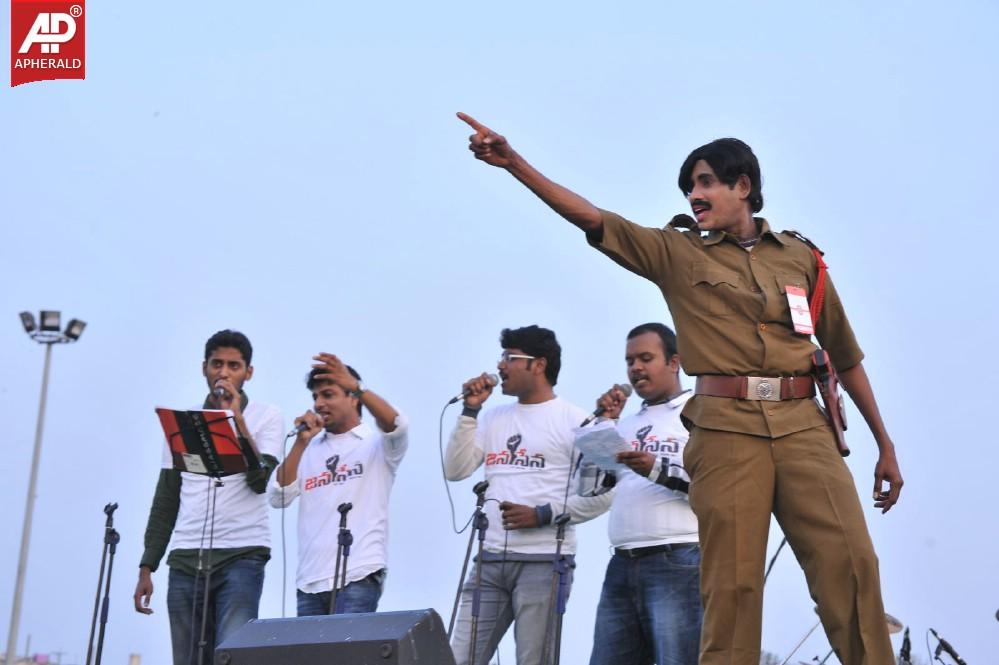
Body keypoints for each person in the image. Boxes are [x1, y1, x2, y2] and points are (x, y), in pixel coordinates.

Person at [457, 113, 904, 665]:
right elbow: (596, 219)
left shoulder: (801, 258)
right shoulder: (678, 252)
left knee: (852, 567)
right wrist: (516, 165)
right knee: (732, 589)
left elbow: (845, 354)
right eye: (689, 186)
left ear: (743, 186)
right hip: (725, 431)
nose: (695, 194)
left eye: (706, 181)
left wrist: (884, 444)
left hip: (804, 426)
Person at [445, 325, 611, 665]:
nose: (500, 366)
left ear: (539, 365)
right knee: (456, 659)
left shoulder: (580, 420)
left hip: (545, 562)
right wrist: (470, 411)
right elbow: (456, 469)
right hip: (489, 560)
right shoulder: (491, 417)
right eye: (501, 357)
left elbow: (606, 495)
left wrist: (542, 514)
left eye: (510, 357)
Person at [133, 330, 284, 665]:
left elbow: (260, 481)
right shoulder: (182, 423)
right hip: (186, 559)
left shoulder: (266, 416)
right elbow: (166, 499)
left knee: (232, 656)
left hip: (242, 556)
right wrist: (148, 565)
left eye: (234, 365)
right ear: (204, 368)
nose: (224, 372)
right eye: (217, 364)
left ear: (249, 372)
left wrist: (236, 421)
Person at [578, 322, 701, 665]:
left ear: (674, 362)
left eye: (646, 358)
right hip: (622, 563)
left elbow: (712, 484)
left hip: (678, 560)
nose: (635, 368)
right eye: (630, 361)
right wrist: (603, 424)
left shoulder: (699, 412)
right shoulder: (628, 423)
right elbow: (588, 488)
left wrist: (655, 468)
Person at [269, 352, 407, 616]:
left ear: (353, 398)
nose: (319, 403)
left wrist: (357, 385)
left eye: (328, 395)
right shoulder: (309, 447)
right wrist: (301, 442)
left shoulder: (375, 443)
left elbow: (397, 425)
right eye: (315, 397)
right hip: (310, 581)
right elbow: (278, 496)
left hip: (358, 575)